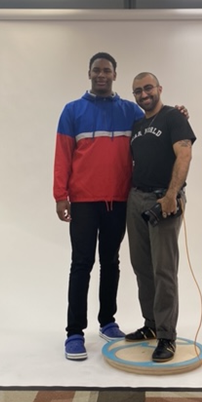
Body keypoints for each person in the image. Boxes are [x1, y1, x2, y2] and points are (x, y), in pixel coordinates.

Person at [53, 52, 145, 361]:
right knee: (81, 265)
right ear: (89, 74)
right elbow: (63, 156)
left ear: (115, 75)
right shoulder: (72, 111)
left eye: (106, 70)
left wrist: (180, 114)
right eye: (96, 70)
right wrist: (60, 195)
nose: (101, 75)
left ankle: (107, 322)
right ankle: (75, 332)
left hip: (118, 202)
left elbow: (158, 124)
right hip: (82, 202)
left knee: (111, 263)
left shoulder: (131, 112)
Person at [124, 72, 196, 363]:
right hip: (136, 198)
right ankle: (151, 324)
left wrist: (170, 195)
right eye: (138, 91)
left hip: (163, 199)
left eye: (148, 88)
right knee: (142, 266)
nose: (144, 94)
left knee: (164, 270)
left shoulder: (174, 117)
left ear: (159, 89)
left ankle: (167, 335)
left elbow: (185, 155)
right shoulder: (138, 124)